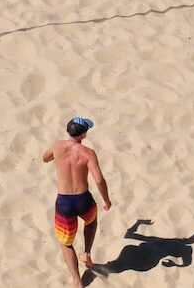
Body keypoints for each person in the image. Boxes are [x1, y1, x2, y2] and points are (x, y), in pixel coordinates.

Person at [42, 117, 112, 287]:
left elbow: (45, 158)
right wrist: (106, 200)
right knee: (91, 221)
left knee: (66, 243)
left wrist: (58, 157)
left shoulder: (57, 146)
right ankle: (87, 253)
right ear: (83, 134)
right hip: (84, 199)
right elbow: (99, 179)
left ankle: (77, 280)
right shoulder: (88, 153)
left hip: (65, 202)